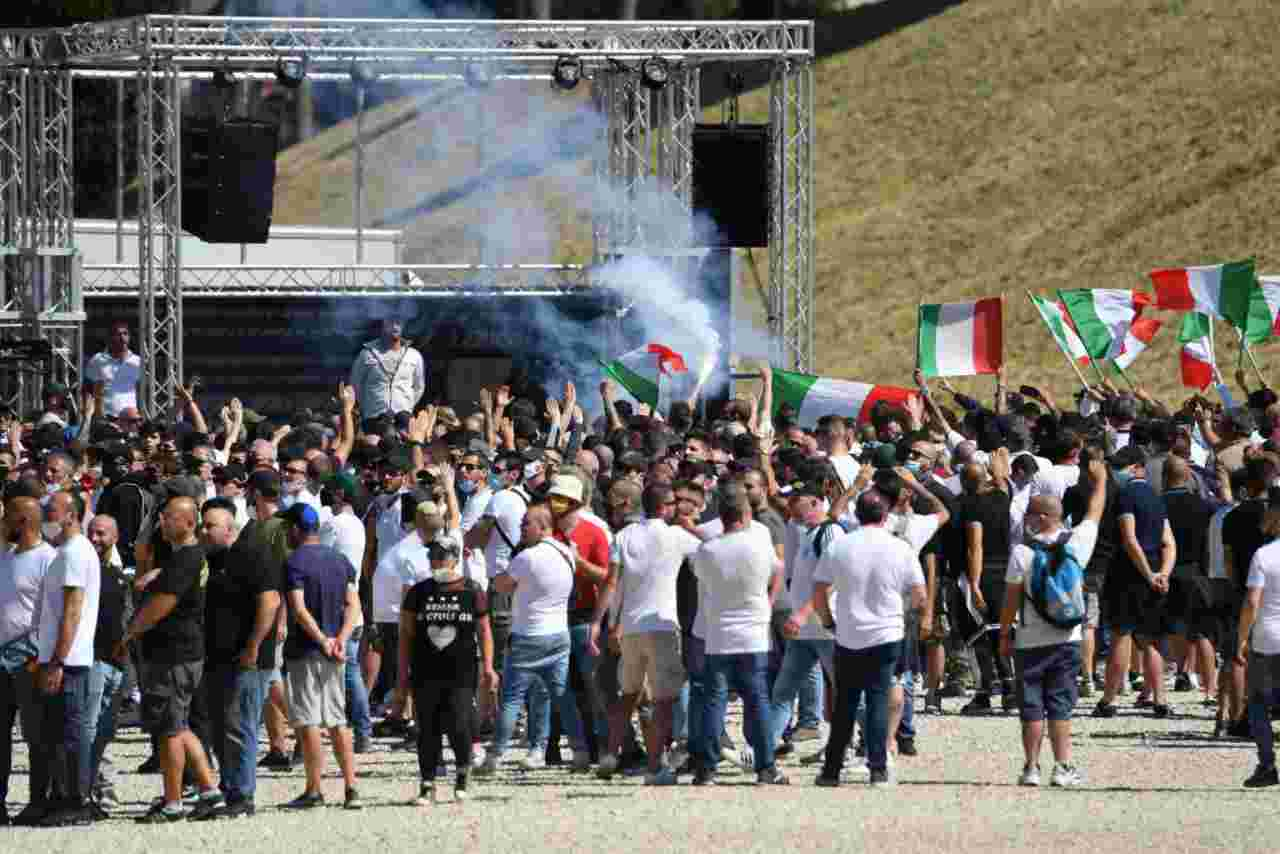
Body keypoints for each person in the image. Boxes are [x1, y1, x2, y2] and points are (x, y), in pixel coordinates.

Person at [999, 458, 1107, 788]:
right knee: (1060, 705)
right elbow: (1095, 513)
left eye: (1031, 513)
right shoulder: (1077, 543)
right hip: (1067, 636)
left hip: (1030, 639)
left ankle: (1031, 768)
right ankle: (1062, 767)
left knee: (1031, 706)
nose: (1026, 518)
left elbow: (1011, 600)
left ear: (1044, 516)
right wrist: (1100, 481)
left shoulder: (1022, 553)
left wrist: (1005, 634)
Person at [811, 489, 926, 787]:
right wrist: (903, 613)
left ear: (857, 514)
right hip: (887, 632)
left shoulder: (839, 546)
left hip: (848, 632)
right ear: (885, 515)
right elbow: (919, 594)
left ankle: (831, 770)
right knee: (878, 700)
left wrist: (827, 620)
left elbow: (819, 589)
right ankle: (878, 769)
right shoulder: (900, 548)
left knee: (845, 703)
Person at [119, 496, 223, 823]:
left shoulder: (186, 558)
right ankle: (210, 792)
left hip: (173, 655)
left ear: (189, 523)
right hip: (181, 654)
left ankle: (173, 802)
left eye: (168, 518)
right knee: (179, 725)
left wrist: (129, 633)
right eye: (161, 517)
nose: (162, 522)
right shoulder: (184, 557)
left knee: (168, 730)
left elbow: (162, 604)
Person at [594, 483, 702, 785]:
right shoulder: (676, 536)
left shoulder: (624, 535)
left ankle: (610, 754)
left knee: (627, 695)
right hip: (663, 625)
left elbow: (613, 583)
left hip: (629, 626)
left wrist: (604, 622)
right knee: (663, 700)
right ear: (665, 506)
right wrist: (691, 525)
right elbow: (710, 551)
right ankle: (655, 767)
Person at [475, 504, 586, 774]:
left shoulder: (527, 557)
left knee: (512, 698)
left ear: (543, 526)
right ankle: (579, 752)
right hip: (558, 634)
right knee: (560, 695)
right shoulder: (567, 553)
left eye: (527, 523)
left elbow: (502, 586)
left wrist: (493, 573)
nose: (522, 528)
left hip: (528, 635)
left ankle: (495, 756)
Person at [691, 486, 789, 786]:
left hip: (719, 632)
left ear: (721, 517)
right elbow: (779, 571)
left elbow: (703, 583)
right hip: (754, 632)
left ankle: (706, 768)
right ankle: (765, 767)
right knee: (757, 699)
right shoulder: (761, 545)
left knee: (714, 701)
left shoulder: (708, 551)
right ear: (747, 514)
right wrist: (768, 604)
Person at [398, 538, 496, 804]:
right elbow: (406, 634)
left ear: (455, 559)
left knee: (459, 722)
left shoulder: (472, 590)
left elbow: (484, 630)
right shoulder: (418, 592)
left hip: (461, 671)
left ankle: (463, 772)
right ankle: (427, 783)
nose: (435, 561)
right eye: (433, 556)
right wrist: (401, 675)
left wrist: (489, 666)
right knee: (426, 727)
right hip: (424, 669)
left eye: (441, 556)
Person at [199, 499, 281, 819]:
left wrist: (253, 646)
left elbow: (270, 602)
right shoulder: (213, 560)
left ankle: (242, 795)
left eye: (210, 526)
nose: (204, 531)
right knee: (220, 727)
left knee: (240, 726)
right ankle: (229, 785)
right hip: (217, 657)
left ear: (230, 529)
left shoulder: (252, 554)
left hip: (246, 659)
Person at [280, 502, 362, 810]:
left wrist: (323, 640)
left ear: (298, 530)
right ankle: (351, 786)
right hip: (335, 650)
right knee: (337, 718)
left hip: (306, 649)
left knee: (309, 720)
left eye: (289, 527)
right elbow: (353, 605)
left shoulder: (294, 563)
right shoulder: (340, 560)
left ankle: (314, 789)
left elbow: (298, 610)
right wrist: (339, 638)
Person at [29, 492, 101, 827]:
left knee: (72, 734)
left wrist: (57, 660)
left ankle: (78, 799)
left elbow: (73, 611)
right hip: (55, 657)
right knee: (57, 733)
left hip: (69, 661)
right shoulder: (63, 552)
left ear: (71, 514)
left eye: (51, 509)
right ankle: (62, 797)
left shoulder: (75, 553)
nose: (45, 513)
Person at [1093, 446, 1178, 719]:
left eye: (1124, 466)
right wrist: (1162, 572)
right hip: (1155, 572)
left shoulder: (1125, 496)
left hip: (1129, 574)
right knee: (1151, 640)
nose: (1120, 471)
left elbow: (1129, 539)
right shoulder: (1156, 497)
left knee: (1122, 635)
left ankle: (1109, 700)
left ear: (1138, 467)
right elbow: (1169, 541)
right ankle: (1160, 699)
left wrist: (1146, 573)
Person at [0, 497, 57, 825]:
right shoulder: (7, 556)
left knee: (36, 736)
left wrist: (41, 656)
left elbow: (53, 612)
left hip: (28, 657)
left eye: (8, 517)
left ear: (22, 521)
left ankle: (38, 802)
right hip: (2, 655)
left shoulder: (47, 559)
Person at [85, 514, 131, 808]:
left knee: (105, 731)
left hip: (116, 664)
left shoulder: (118, 573)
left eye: (101, 534)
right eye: (91, 532)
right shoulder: (83, 569)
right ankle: (87, 792)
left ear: (114, 537)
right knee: (88, 729)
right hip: (91, 661)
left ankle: (102, 789)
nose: (94, 538)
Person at [1234, 505, 1280, 787]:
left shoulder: (1263, 555)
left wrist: (1241, 638)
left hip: (1268, 638)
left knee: (1259, 704)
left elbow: (1252, 602)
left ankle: (1267, 765)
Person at [349, 319, 426, 429]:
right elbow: (355, 385)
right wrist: (368, 406)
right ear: (382, 326)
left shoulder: (414, 355)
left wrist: (407, 405)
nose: (395, 327)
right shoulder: (366, 354)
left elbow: (419, 386)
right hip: (374, 416)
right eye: (390, 322)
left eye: (399, 322)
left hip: (404, 417)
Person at [83, 321, 143, 418]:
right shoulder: (97, 360)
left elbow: (142, 390)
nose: (122, 337)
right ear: (110, 338)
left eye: (125, 334)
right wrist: (88, 414)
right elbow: (87, 389)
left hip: (131, 419)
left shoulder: (137, 361)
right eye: (118, 334)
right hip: (106, 418)